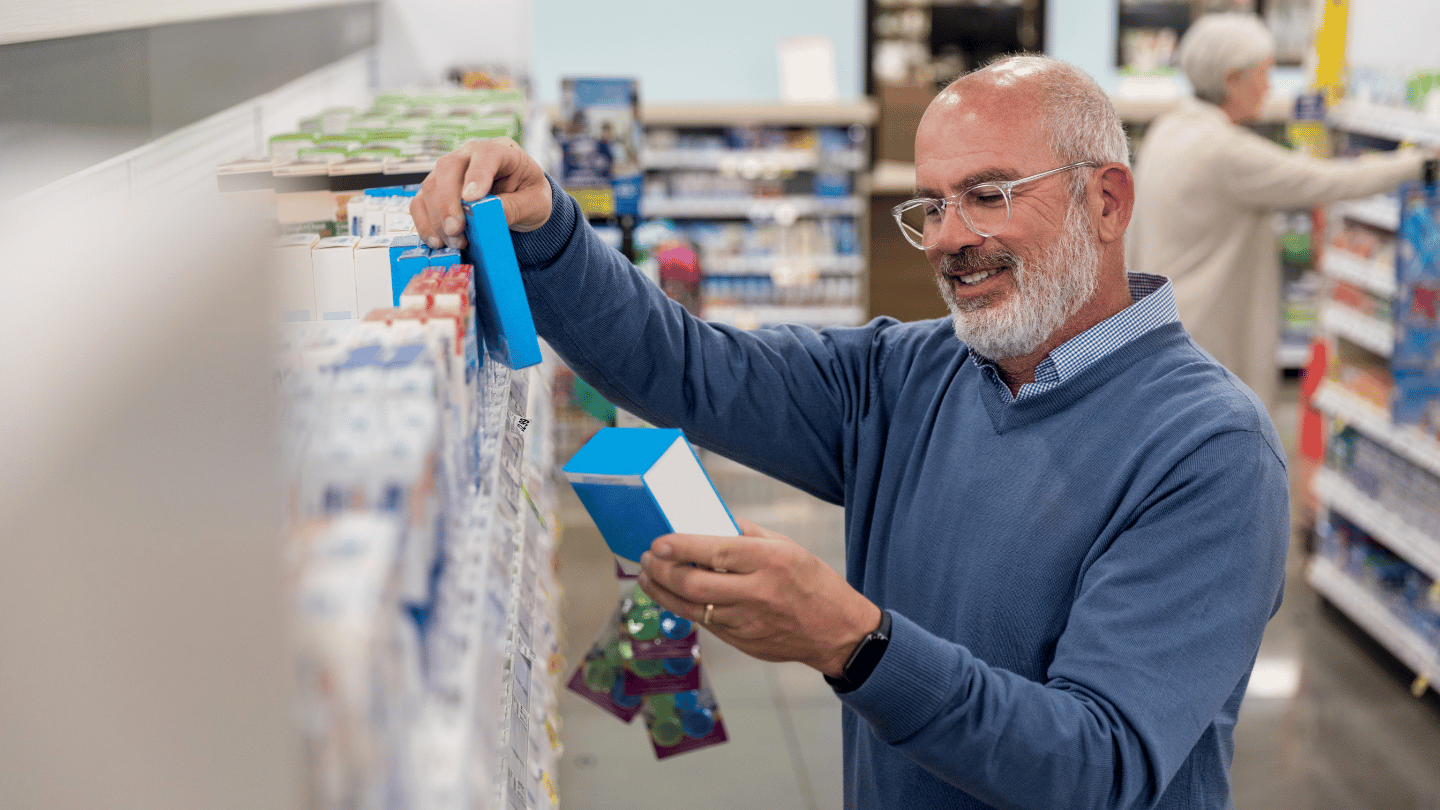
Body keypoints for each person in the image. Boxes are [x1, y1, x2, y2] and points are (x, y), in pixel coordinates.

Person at [412, 55, 1289, 810]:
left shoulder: (1208, 451)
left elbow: (1100, 767)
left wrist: (855, 643)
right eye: (932, 207)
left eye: (987, 195)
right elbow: (685, 366)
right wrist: (548, 230)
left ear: (1106, 201)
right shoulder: (906, 376)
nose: (951, 239)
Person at [1128, 12, 1435, 409]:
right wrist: (1420, 164)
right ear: (1231, 80)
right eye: (1262, 73)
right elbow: (1326, 180)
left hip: (1167, 325)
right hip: (1207, 334)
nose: (1269, 86)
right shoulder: (1223, 151)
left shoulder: (1169, 130)